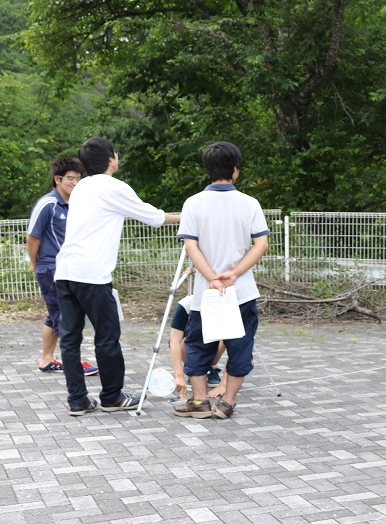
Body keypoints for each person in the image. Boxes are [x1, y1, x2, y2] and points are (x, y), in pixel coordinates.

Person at [55, 137, 181, 416]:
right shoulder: (113, 187)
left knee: (70, 339)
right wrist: (187, 217)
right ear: (111, 158)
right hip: (92, 275)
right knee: (107, 335)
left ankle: (78, 400)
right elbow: (153, 217)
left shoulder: (82, 187)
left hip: (64, 271)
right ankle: (112, 397)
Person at [173, 142, 269, 420]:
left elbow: (191, 247)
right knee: (241, 346)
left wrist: (212, 278)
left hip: (207, 294)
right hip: (241, 293)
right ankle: (227, 403)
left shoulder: (192, 203)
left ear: (208, 170)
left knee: (198, 346)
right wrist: (234, 274)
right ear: (235, 170)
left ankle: (200, 402)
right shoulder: (250, 203)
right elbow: (260, 245)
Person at [26, 156, 98, 377]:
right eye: (70, 179)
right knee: (65, 317)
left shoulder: (74, 204)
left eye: (78, 179)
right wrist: (35, 264)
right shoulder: (48, 204)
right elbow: (32, 237)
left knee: (55, 315)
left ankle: (46, 360)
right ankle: (73, 362)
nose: (75, 183)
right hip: (50, 269)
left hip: (68, 269)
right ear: (57, 179)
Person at [169, 294, 226, 401]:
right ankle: (193, 371)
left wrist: (223, 385)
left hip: (216, 339)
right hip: (193, 339)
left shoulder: (229, 304)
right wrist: (179, 375)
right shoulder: (186, 304)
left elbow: (238, 350)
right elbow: (174, 341)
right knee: (183, 341)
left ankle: (210, 368)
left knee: (228, 340)